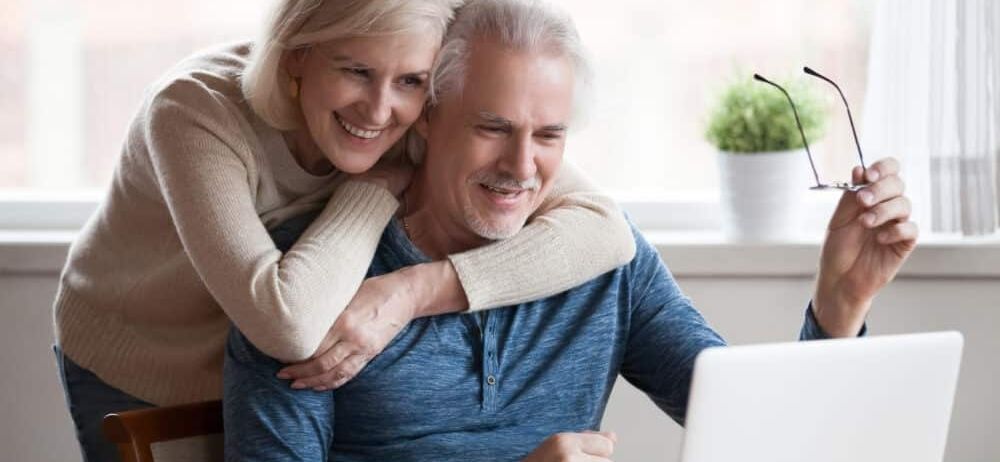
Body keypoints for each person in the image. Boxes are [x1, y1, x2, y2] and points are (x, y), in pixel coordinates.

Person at [223, 0, 918, 460]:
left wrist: (840, 304)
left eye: (548, 135)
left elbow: (763, 435)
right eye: (493, 128)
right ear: (427, 117)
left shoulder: (607, 266)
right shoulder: (313, 289)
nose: (521, 168)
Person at [51, 1, 640, 460]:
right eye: (356, 70)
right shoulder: (193, 112)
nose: (380, 111)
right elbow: (285, 323)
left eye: (411, 81)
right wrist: (374, 189)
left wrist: (411, 290)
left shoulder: (411, 109)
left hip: (266, 358)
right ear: (295, 59)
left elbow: (607, 231)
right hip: (144, 355)